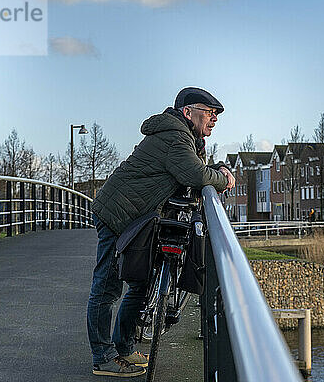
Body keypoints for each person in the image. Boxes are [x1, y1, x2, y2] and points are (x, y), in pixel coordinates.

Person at [87, 87, 235, 377]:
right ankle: (102, 358)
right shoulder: (175, 136)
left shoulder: (186, 137)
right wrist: (224, 180)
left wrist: (214, 166)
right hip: (117, 214)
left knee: (139, 284)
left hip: (136, 218)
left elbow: (194, 168)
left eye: (216, 114)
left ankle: (125, 348)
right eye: (208, 111)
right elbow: (195, 174)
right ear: (187, 112)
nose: (213, 118)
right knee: (107, 287)